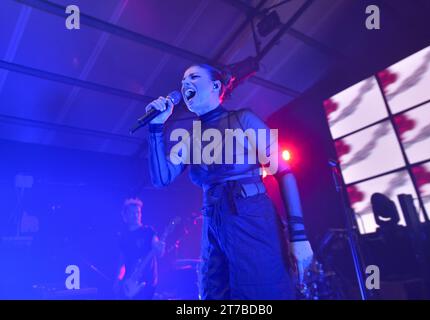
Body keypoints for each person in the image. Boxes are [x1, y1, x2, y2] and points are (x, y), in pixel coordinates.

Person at [145, 64, 313, 300]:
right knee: (214, 293)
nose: (185, 84)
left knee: (263, 293)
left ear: (215, 86)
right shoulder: (189, 139)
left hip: (251, 218)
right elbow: (161, 178)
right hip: (213, 223)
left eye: (193, 77)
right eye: (182, 81)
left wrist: (299, 236)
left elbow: (284, 172)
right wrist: (156, 127)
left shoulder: (243, 119)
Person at [114, 197, 165, 300]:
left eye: (138, 212)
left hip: (148, 280)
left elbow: (159, 252)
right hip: (130, 281)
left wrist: (160, 247)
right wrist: (117, 280)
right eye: (132, 213)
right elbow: (122, 261)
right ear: (125, 216)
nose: (136, 215)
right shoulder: (123, 236)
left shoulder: (148, 231)